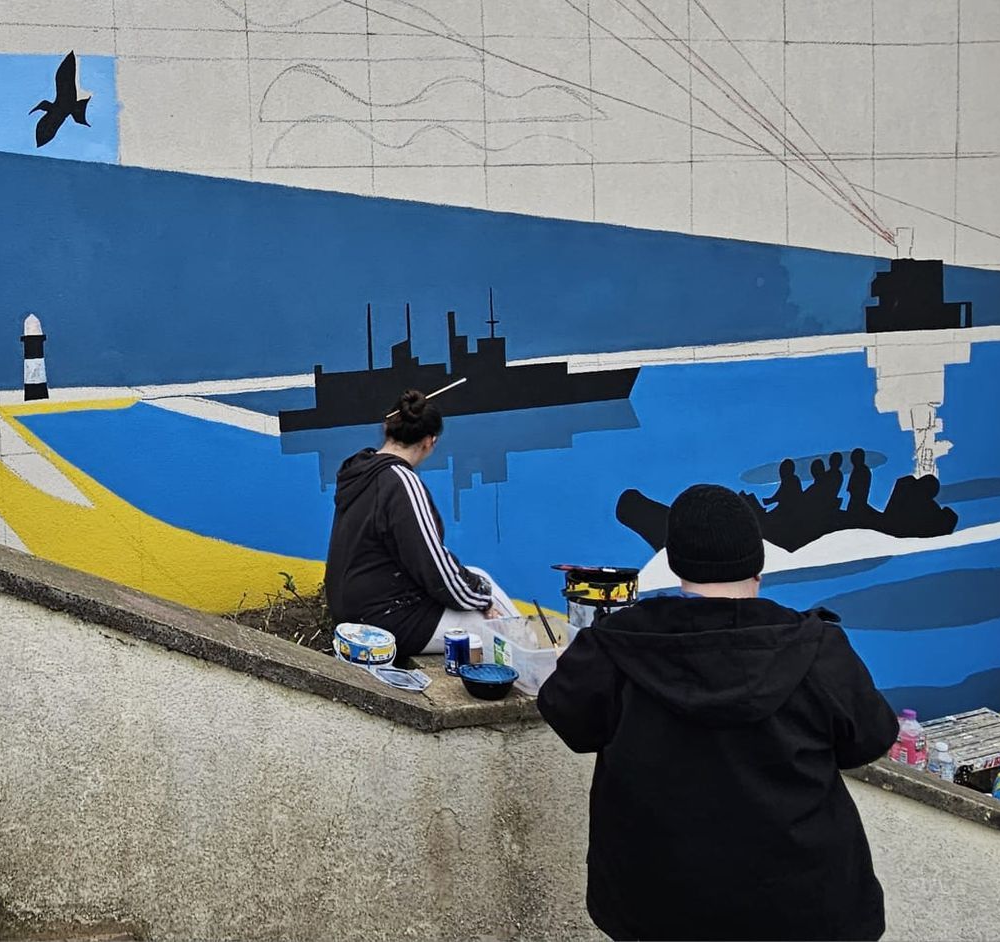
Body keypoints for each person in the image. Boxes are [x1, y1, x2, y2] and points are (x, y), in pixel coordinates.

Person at [535, 483, 898, 942]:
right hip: (805, 905)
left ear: (674, 562)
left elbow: (569, 719)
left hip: (655, 904)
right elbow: (869, 739)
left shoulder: (617, 644)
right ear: (758, 562)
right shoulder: (816, 648)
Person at [324, 388, 519, 658]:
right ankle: (543, 683)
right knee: (505, 634)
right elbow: (432, 563)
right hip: (383, 620)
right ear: (430, 441)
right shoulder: (401, 482)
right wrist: (483, 601)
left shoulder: (361, 472)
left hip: (355, 609)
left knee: (480, 578)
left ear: (386, 428)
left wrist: (479, 591)